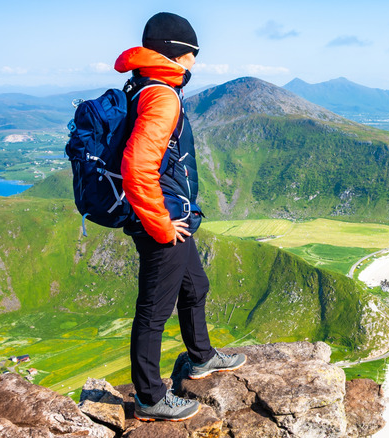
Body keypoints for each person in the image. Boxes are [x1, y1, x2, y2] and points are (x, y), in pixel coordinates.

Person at [114, 12, 246, 422]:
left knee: (195, 286)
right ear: (174, 52)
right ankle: (150, 398)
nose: (194, 62)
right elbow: (137, 167)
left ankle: (202, 357)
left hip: (172, 215)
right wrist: (160, 223)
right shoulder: (161, 95)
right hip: (162, 219)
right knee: (154, 309)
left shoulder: (144, 85)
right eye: (192, 53)